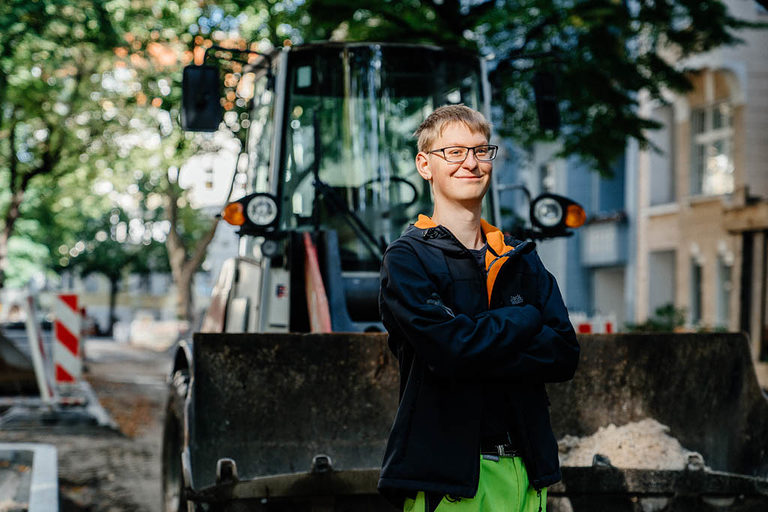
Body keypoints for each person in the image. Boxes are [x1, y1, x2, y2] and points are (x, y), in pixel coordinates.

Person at [377, 104, 579, 512]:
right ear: (425, 165)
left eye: (481, 151)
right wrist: (523, 319)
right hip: (451, 482)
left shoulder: (520, 257)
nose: (470, 162)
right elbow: (450, 351)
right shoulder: (407, 259)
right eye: (454, 152)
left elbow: (563, 355)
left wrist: (474, 341)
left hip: (527, 474)